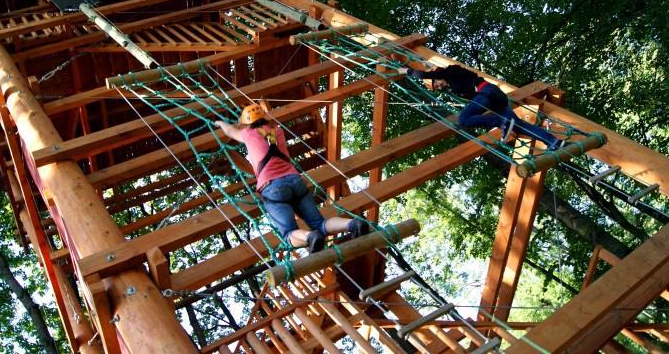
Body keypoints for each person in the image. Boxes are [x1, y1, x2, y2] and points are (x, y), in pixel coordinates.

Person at [215, 103, 369, 253]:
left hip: (272, 187)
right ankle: (353, 223)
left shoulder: (248, 134)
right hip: (295, 181)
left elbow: (229, 131)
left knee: (288, 234)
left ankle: (310, 237)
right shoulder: (277, 131)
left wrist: (220, 123)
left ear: (246, 124)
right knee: (319, 223)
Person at [398, 64, 562, 149]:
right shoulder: (456, 84)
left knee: (463, 119)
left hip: (486, 93)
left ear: (437, 74)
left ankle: (501, 122)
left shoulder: (449, 71)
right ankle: (554, 141)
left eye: (438, 84)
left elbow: (423, 74)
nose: (440, 87)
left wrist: (406, 71)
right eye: (438, 88)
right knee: (519, 126)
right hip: (495, 99)